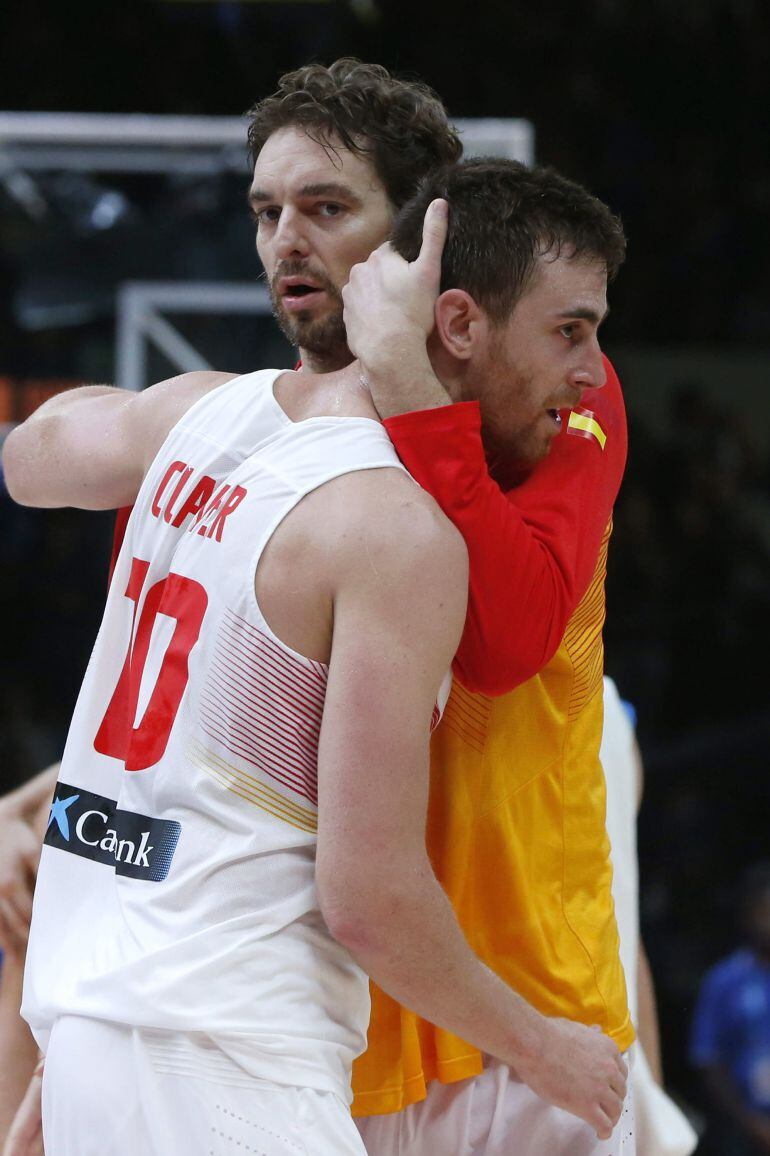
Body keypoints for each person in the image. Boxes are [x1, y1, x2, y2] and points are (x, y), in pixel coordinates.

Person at [4, 60, 629, 1153]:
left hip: (108, 1015)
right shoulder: (388, 517)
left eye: (324, 208)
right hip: (239, 1042)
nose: (284, 239)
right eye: (266, 211)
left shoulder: (193, 420)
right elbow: (367, 893)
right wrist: (544, 1046)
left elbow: (29, 458)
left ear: (420, 242)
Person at [601, 678, 698, 1156]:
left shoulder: (610, 715)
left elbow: (624, 928)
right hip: (559, 1079)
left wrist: (648, 1100)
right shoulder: (615, 715)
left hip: (559, 1084)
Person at [690, 864, 770, 1155]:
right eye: (764, 911)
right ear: (750, 915)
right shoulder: (724, 980)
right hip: (741, 1126)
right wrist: (753, 1123)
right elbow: (708, 1061)